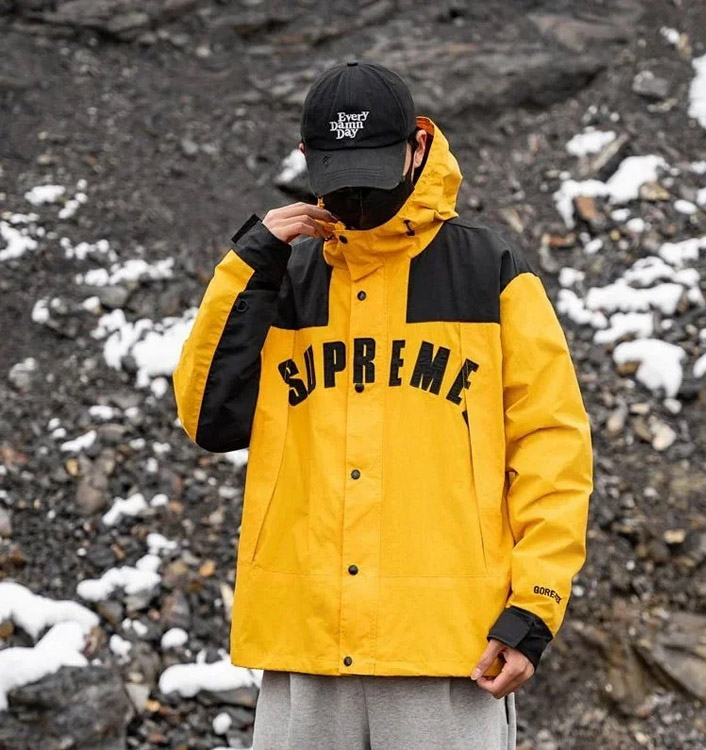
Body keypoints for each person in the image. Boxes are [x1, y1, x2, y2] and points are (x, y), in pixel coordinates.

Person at [171, 60, 594, 750]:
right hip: (305, 646)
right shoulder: (279, 278)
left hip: (448, 649)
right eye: (337, 174)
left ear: (418, 146)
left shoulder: (489, 272)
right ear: (306, 157)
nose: (356, 193)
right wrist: (248, 264)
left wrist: (535, 606)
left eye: (371, 167)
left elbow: (552, 450)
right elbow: (209, 418)